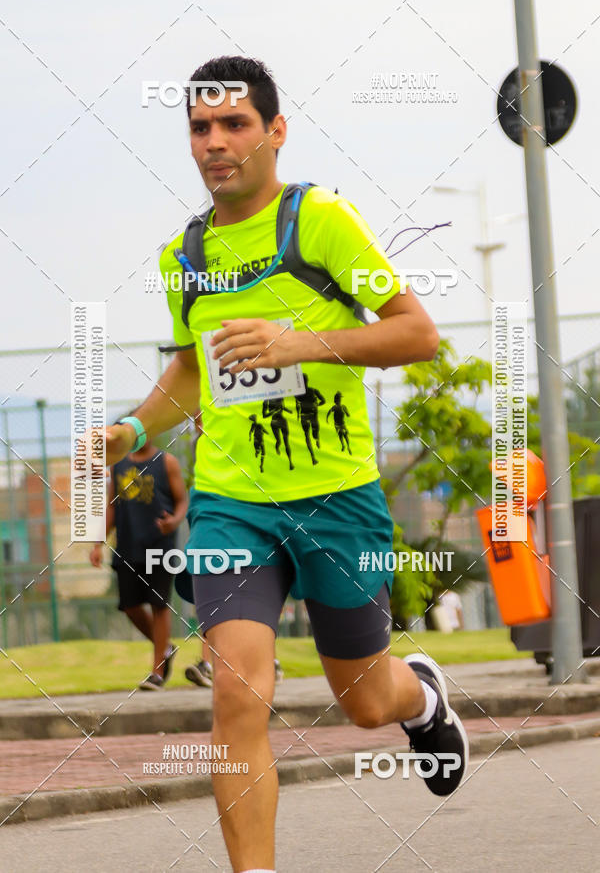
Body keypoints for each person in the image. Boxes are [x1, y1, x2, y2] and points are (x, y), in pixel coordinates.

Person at [103, 56, 468, 873]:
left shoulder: (323, 223)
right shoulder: (184, 257)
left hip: (338, 498)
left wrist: (303, 341)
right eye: (200, 127)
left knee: (365, 700)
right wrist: (131, 427)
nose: (214, 142)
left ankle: (421, 696)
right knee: (236, 695)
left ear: (275, 131)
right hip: (234, 504)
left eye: (234, 124)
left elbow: (417, 332)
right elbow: (194, 373)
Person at [90, 432, 188, 690]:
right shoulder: (119, 465)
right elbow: (111, 506)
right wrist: (98, 543)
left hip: (160, 547)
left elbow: (182, 501)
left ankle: (156, 673)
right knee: (130, 607)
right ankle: (165, 647)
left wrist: (174, 522)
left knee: (159, 604)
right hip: (127, 547)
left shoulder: (167, 462)